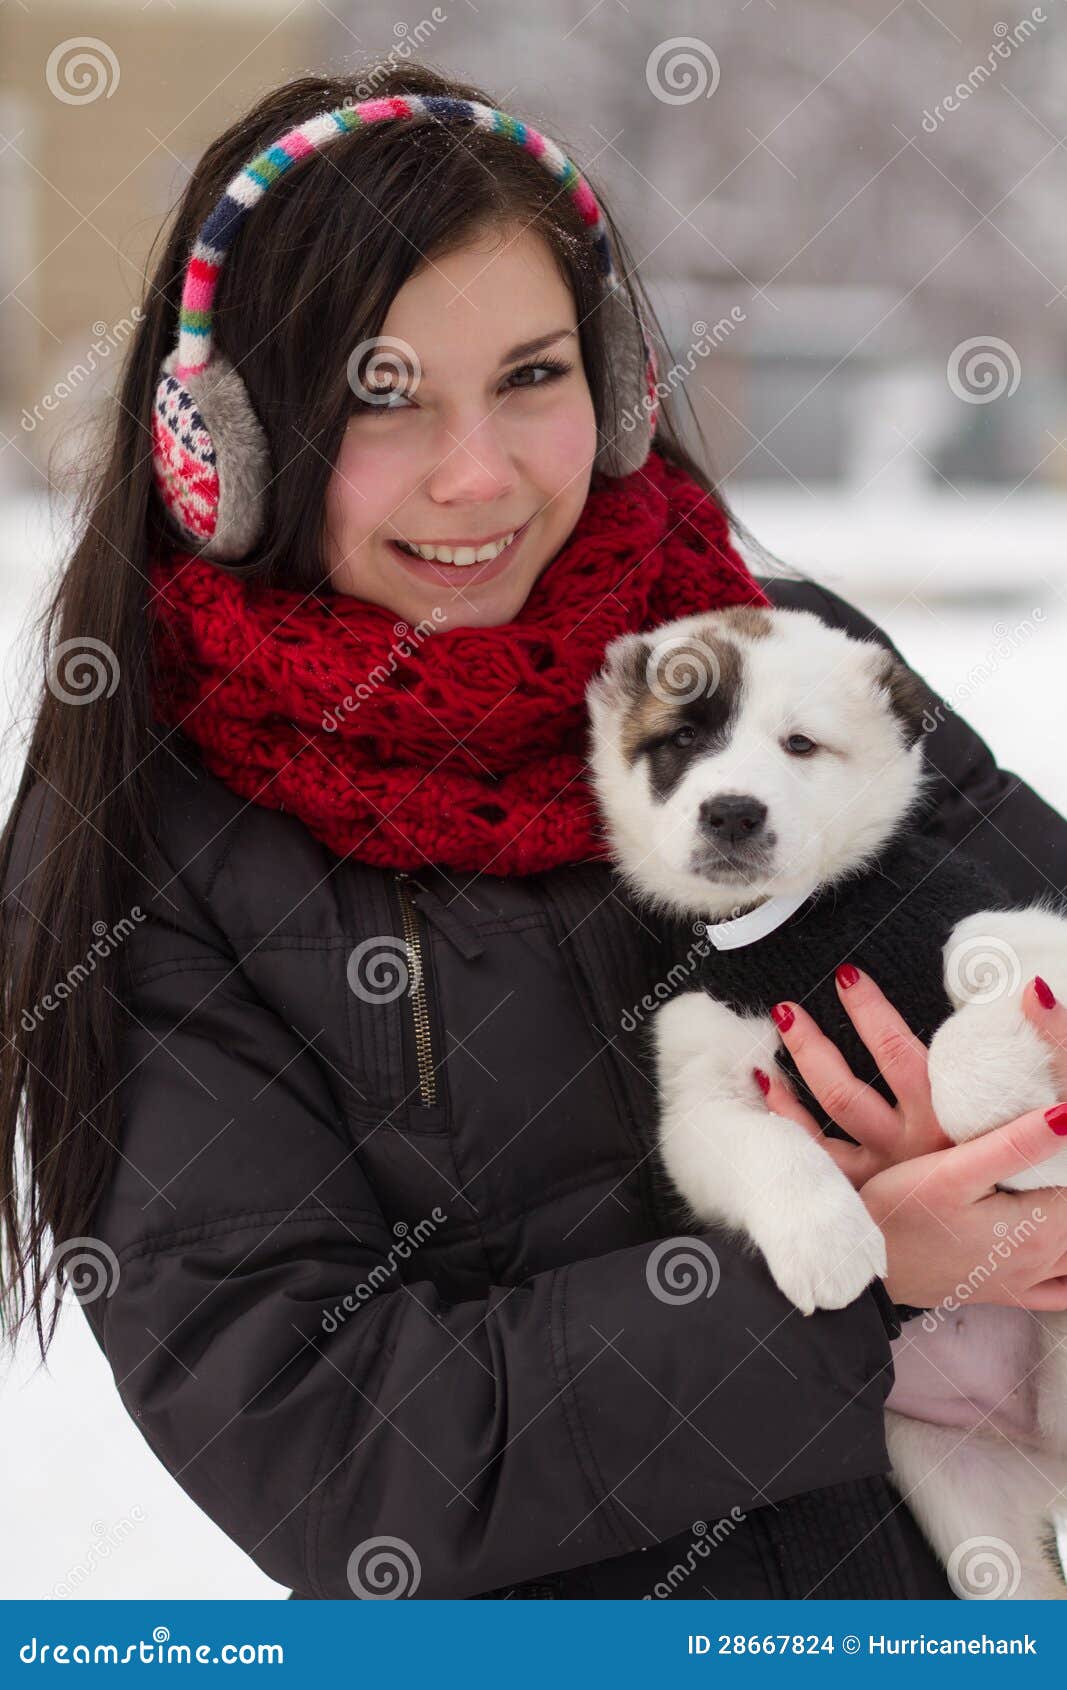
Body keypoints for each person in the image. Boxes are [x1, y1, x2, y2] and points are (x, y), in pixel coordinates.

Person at [3, 63, 1067, 1604]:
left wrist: (1014, 1168)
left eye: (532, 374)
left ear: (621, 381)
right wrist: (857, 1277)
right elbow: (332, 1449)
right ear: (221, 445)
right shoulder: (158, 846)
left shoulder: (791, 667)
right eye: (384, 393)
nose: (480, 474)